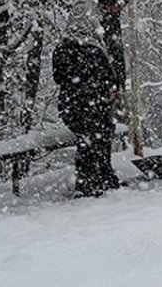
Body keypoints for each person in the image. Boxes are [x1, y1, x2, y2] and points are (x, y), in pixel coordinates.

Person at [52, 15, 122, 197]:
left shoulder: (61, 51)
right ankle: (99, 178)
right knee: (98, 139)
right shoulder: (95, 51)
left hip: (73, 106)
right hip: (94, 105)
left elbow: (59, 78)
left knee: (89, 141)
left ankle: (89, 181)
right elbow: (109, 79)